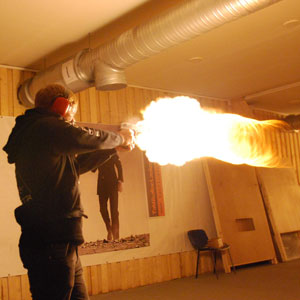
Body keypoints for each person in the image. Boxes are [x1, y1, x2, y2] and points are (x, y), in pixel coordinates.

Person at [2, 83, 135, 300]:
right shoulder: (45, 127)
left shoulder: (40, 134)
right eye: (72, 111)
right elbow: (84, 138)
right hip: (52, 241)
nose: (73, 118)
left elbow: (75, 167)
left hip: (59, 240)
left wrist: (113, 147)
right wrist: (121, 137)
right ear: (62, 105)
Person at [94, 149, 123, 241]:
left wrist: (120, 181)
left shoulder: (111, 150)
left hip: (112, 183)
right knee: (102, 209)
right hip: (101, 184)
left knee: (114, 209)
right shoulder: (96, 152)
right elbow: (93, 169)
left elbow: (119, 165)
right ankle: (109, 229)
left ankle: (116, 234)